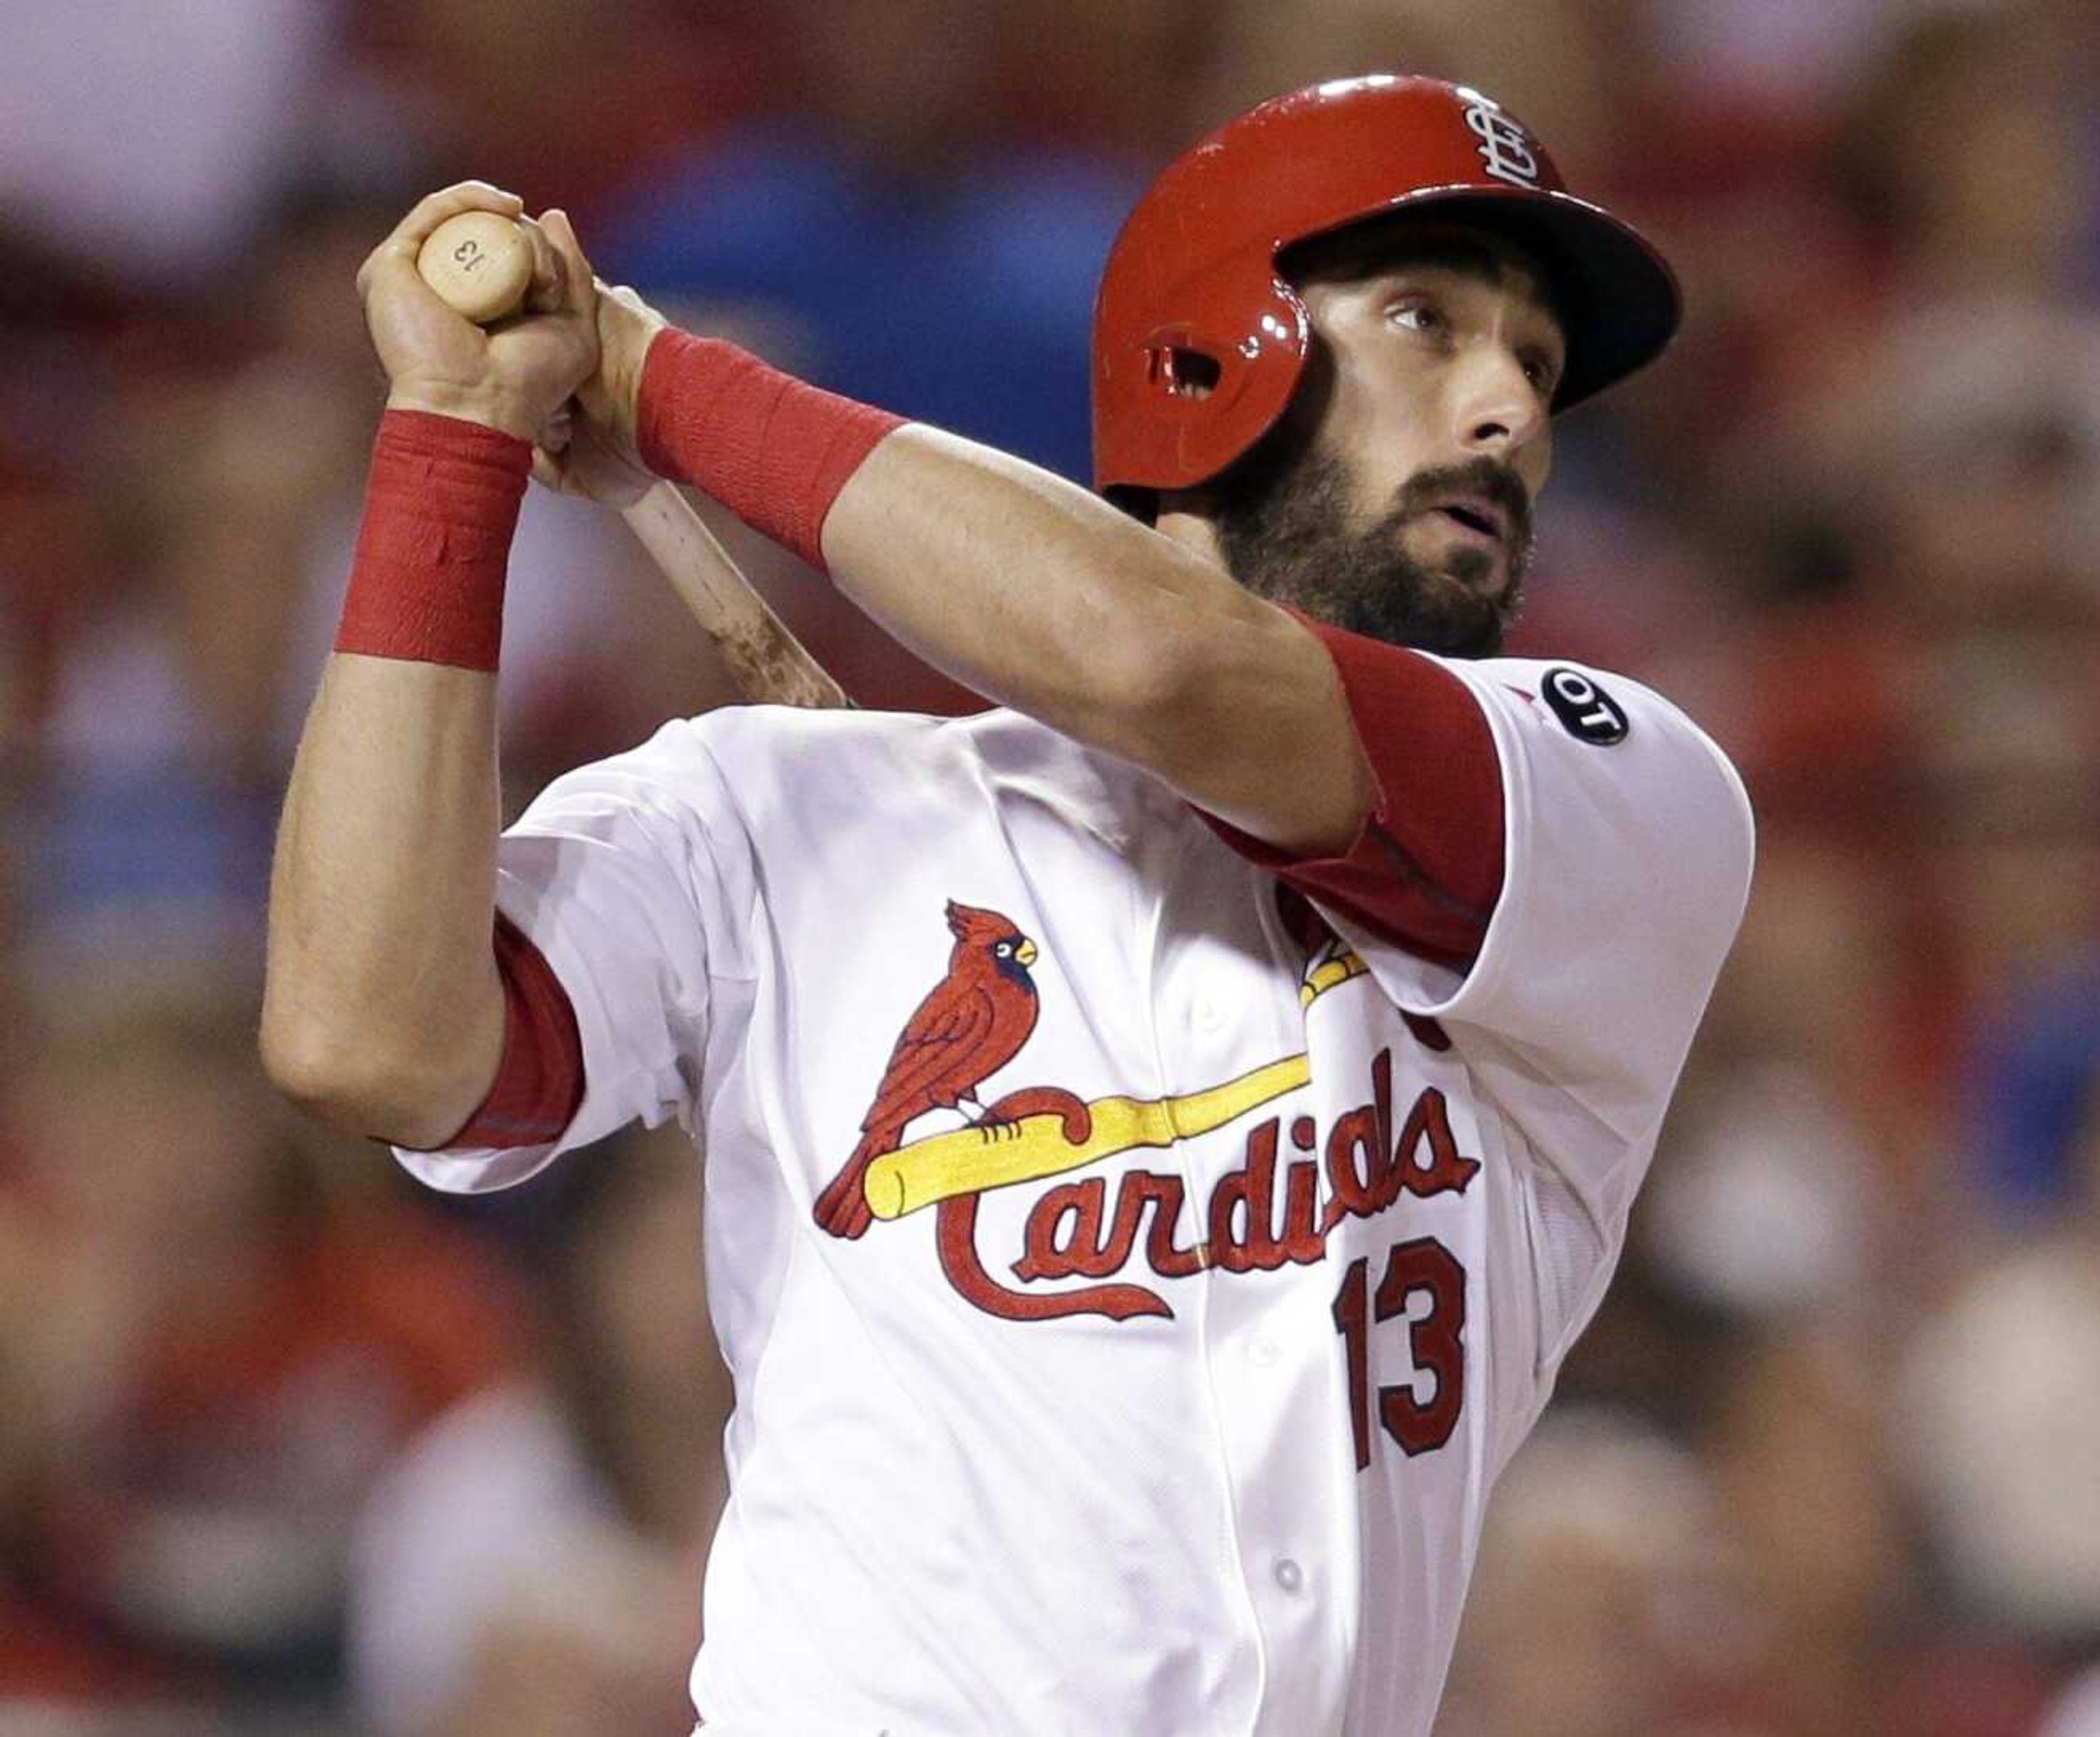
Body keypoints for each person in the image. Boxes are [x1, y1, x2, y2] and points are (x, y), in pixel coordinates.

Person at [261, 75, 1754, 1734]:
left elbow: (1159, 664)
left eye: (1537, 368)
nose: (1511, 414)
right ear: (1208, 359)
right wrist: (450, 446)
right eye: (1428, 322)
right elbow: (371, 1041)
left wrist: (656, 378)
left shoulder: (1614, 798)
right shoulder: (781, 808)